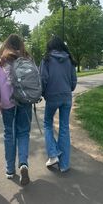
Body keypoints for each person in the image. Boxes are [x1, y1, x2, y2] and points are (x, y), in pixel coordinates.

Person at [0, 34, 32, 186]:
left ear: (6, 45)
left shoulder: (2, 62)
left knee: (9, 134)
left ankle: (10, 170)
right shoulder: (27, 59)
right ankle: (23, 163)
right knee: (23, 133)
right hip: (24, 101)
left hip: (7, 103)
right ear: (21, 45)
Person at [40, 36, 77, 173]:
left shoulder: (47, 59)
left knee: (47, 124)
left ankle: (53, 154)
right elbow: (74, 80)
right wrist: (69, 89)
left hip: (52, 96)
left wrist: (43, 93)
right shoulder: (70, 59)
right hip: (67, 96)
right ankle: (64, 165)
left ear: (50, 47)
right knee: (64, 128)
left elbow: (43, 78)